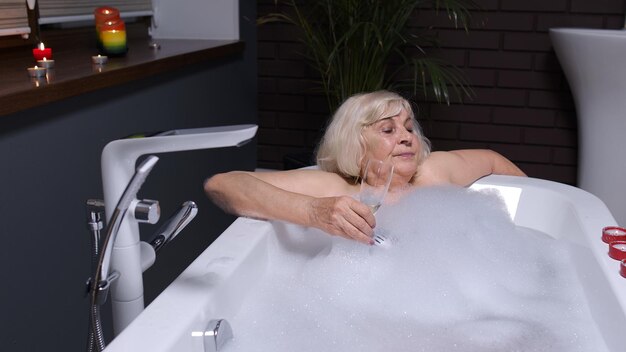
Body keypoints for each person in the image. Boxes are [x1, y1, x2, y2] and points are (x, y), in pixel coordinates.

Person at [204, 90, 526, 245]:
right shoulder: (338, 189)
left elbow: (494, 161)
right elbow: (223, 184)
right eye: (388, 130)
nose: (405, 137)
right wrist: (314, 212)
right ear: (356, 146)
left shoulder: (434, 172)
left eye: (409, 128)